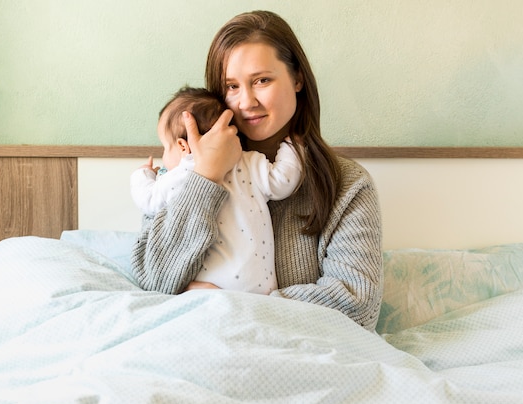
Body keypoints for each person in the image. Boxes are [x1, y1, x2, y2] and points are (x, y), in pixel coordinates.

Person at [131, 10, 383, 331]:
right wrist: (205, 178)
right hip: (206, 346)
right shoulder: (178, 177)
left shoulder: (349, 184)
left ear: (297, 79)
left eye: (262, 80)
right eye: (231, 87)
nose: (246, 101)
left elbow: (357, 306)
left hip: (306, 356)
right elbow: (155, 283)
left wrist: (233, 303)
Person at [130, 86, 302, 294]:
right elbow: (283, 181)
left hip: (207, 290)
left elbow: (148, 200)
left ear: (183, 146)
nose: (164, 156)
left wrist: (143, 174)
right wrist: (293, 146)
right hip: (261, 291)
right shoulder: (250, 162)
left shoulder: (181, 173)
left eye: (165, 147)